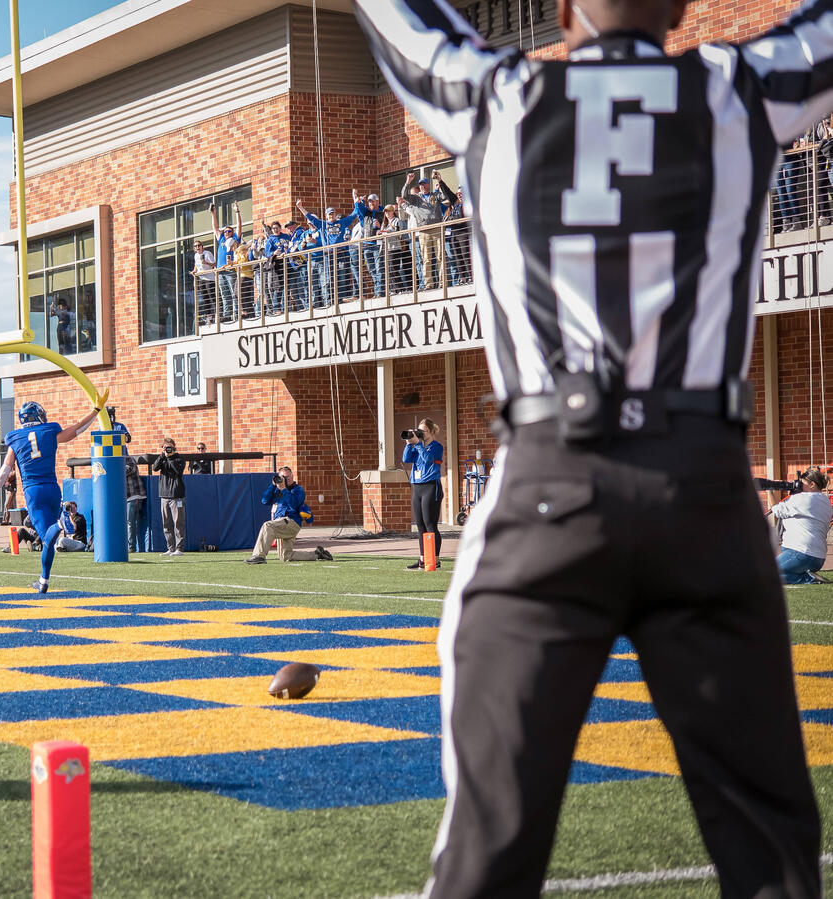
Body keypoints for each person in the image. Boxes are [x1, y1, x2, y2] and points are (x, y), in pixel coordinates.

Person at [355, 0, 829, 892]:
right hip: (702, 485)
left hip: (550, 484)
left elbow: (402, 21)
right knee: (771, 854)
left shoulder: (498, 97)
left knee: (488, 846)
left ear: (565, 10)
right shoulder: (739, 90)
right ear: (680, 6)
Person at [0, 397, 103, 592]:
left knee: (47, 538)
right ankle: (43, 581)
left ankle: (60, 524)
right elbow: (77, 429)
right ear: (38, 416)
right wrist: (96, 411)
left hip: (33, 492)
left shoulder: (15, 438)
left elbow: (4, 470)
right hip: (52, 489)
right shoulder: (49, 431)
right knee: (49, 541)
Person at [244, 467, 333, 564]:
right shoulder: (277, 490)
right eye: (283, 477)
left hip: (291, 523)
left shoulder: (298, 490)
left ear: (292, 476)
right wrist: (273, 485)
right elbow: (265, 501)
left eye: (288, 476)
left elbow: (293, 504)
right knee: (286, 556)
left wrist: (284, 489)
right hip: (280, 523)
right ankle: (317, 554)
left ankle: (259, 556)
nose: (287, 479)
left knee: (267, 526)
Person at [770, 468, 832, 584]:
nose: (798, 486)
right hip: (818, 559)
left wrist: (770, 490)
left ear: (812, 484)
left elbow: (777, 510)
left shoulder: (803, 499)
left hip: (800, 553)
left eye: (801, 484)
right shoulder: (825, 500)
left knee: (767, 573)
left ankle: (809, 579)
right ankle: (805, 575)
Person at [401, 419, 444, 570]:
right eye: (418, 430)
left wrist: (418, 444)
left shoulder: (437, 447)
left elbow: (428, 460)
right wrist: (409, 444)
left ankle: (435, 560)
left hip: (431, 487)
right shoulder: (416, 447)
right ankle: (423, 559)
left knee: (430, 524)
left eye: (423, 431)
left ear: (431, 432)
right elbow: (406, 459)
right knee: (420, 525)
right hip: (417, 487)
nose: (420, 433)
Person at [153, 437, 186, 555]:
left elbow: (178, 470)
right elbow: (155, 468)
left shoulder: (179, 459)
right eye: (165, 447)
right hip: (164, 496)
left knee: (178, 523)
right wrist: (162, 455)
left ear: (174, 447)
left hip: (177, 496)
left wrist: (170, 457)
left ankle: (179, 548)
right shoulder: (162, 458)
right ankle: (171, 548)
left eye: (169, 447)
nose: (167, 449)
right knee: (166, 524)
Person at [124, 452, 150, 553]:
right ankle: (127, 545)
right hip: (123, 498)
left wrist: (113, 466)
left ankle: (131, 547)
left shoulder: (128, 459)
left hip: (134, 495)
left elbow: (128, 470)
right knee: (126, 522)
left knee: (130, 522)